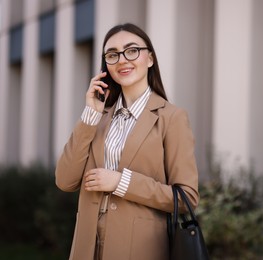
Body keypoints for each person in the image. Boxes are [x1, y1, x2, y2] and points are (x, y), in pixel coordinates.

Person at [55, 23, 199, 260]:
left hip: (140, 250)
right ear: (106, 65)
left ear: (150, 58)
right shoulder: (96, 118)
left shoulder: (171, 117)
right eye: (112, 54)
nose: (122, 59)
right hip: (86, 249)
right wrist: (90, 114)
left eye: (131, 51)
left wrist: (121, 182)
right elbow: (65, 180)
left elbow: (186, 198)